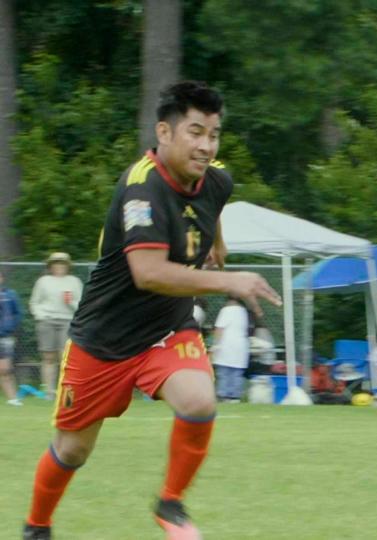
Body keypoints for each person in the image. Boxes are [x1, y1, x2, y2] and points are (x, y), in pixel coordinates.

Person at [21, 81, 281, 540]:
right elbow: (148, 273)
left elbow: (212, 200)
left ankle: (171, 503)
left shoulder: (215, 177)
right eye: (195, 132)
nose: (206, 145)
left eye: (214, 134)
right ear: (164, 132)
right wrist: (229, 281)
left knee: (200, 402)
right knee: (74, 449)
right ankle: (36, 526)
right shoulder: (141, 189)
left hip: (166, 329)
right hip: (104, 339)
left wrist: (218, 242)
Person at [29, 252, 84, 399]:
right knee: (48, 357)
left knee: (65, 357)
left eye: (62, 264)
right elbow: (34, 302)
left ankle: (66, 389)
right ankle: (49, 391)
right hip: (47, 321)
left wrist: (70, 302)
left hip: (67, 320)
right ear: (51, 266)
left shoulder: (74, 281)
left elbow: (81, 305)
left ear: (67, 266)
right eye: (56, 264)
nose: (59, 266)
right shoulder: (43, 281)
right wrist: (40, 316)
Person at [212, 297, 250, 403]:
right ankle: (235, 397)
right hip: (241, 346)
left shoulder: (226, 310)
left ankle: (223, 396)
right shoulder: (243, 312)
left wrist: (215, 344)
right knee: (237, 373)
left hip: (226, 344)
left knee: (224, 373)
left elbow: (219, 328)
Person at [1, 270, 24, 406]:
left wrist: (10, 328)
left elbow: (17, 314)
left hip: (5, 336)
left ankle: (13, 398)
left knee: (5, 369)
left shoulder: (10, 295)